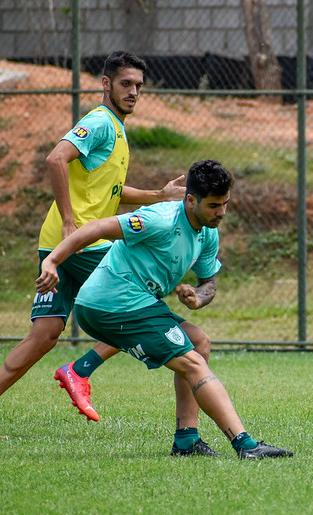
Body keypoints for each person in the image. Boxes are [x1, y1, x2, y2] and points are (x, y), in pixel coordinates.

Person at [0, 50, 185, 437]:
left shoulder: (116, 128)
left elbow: (110, 191)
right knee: (142, 307)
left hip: (58, 246)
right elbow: (55, 159)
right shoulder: (99, 121)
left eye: (139, 86)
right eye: (126, 84)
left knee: (44, 335)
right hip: (79, 242)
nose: (133, 92)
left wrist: (158, 195)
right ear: (106, 83)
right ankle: (79, 370)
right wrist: (68, 220)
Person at [34, 159, 293, 459]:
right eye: (213, 206)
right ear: (190, 199)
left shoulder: (208, 231)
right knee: (193, 364)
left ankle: (186, 440)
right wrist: (52, 261)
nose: (221, 212)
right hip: (111, 304)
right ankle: (246, 445)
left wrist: (198, 298)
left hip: (137, 304)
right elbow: (96, 227)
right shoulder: (160, 219)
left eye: (225, 204)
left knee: (199, 342)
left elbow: (209, 281)